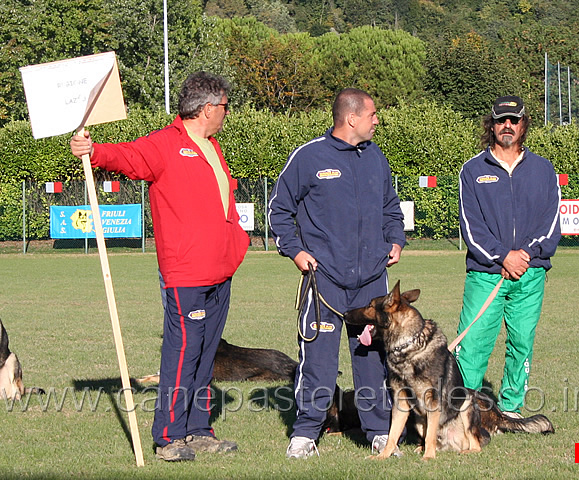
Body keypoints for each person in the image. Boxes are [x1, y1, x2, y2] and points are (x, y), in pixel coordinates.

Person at [70, 72, 249, 462]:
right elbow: (129, 157)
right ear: (207, 108)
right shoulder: (167, 144)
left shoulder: (211, 146)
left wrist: (237, 241)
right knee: (183, 354)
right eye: (224, 106)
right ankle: (169, 436)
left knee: (206, 354)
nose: (227, 112)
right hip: (186, 273)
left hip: (220, 271)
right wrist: (93, 150)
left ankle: (200, 430)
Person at [268, 88, 406, 459]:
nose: (377, 121)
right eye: (373, 114)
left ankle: (378, 431)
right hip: (324, 280)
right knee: (319, 360)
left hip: (371, 282)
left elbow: (391, 207)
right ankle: (305, 433)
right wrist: (295, 251)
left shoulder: (376, 157)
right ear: (351, 118)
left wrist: (395, 240)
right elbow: (279, 210)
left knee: (373, 357)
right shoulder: (309, 156)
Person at [455, 95, 561, 417]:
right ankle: (462, 408)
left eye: (514, 120)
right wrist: (503, 257)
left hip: (530, 274)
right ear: (492, 124)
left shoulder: (544, 169)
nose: (507, 126)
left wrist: (524, 255)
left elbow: (552, 221)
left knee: (521, 344)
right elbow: (471, 227)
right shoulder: (472, 170)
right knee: (471, 345)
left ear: (523, 124)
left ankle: (511, 408)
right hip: (487, 274)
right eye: (501, 120)